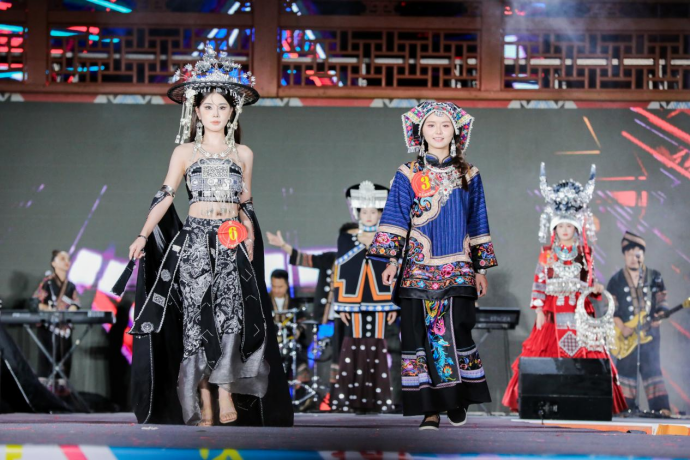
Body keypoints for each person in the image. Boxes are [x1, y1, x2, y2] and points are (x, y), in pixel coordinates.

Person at [122, 46, 292, 427]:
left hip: (231, 239)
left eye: (222, 107)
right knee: (196, 317)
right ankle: (203, 396)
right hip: (196, 239)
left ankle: (226, 388)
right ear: (196, 111)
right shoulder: (184, 152)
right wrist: (143, 234)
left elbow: (246, 201)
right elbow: (166, 194)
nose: (215, 113)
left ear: (233, 111)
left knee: (231, 313)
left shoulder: (243, 153)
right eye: (209, 107)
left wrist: (250, 236)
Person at [368, 102, 497, 430]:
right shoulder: (407, 172)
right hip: (416, 268)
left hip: (458, 267)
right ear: (420, 132)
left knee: (456, 330)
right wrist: (392, 261)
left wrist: (481, 268)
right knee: (418, 337)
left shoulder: (469, 174)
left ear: (456, 131)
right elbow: (397, 216)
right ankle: (430, 410)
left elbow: (477, 220)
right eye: (431, 125)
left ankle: (455, 398)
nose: (438, 131)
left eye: (445, 125)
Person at [501, 163, 627, 415]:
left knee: (587, 352)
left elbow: (590, 281)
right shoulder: (547, 253)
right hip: (553, 310)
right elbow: (539, 281)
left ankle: (586, 401)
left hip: (580, 309)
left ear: (576, 228)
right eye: (561, 227)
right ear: (554, 228)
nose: (565, 230)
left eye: (569, 226)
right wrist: (538, 309)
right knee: (545, 351)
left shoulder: (585, 252)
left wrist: (596, 288)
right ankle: (545, 401)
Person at [607, 231, 671, 415]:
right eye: (629, 254)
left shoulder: (654, 276)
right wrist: (622, 327)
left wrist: (660, 315)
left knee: (652, 367)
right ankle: (622, 408)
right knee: (625, 370)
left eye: (637, 254)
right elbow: (611, 309)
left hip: (649, 333)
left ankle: (661, 408)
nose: (633, 258)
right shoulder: (616, 280)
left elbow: (662, 301)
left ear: (643, 254)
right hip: (626, 336)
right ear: (624, 256)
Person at [31, 250, 80, 389]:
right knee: (46, 362)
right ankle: (44, 394)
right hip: (48, 329)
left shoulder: (70, 286)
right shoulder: (47, 283)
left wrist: (72, 309)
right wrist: (49, 309)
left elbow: (76, 303)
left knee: (64, 364)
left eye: (68, 259)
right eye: (62, 258)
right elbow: (35, 302)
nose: (66, 261)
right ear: (53, 263)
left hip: (64, 331)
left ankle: (61, 395)